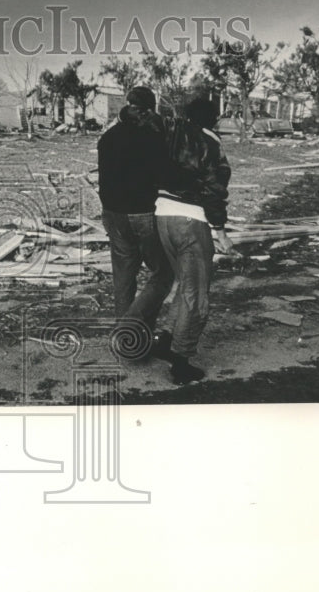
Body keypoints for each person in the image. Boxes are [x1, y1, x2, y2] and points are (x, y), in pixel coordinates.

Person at [154, 95, 232, 385]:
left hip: (162, 216)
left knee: (184, 284)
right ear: (215, 119)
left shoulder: (171, 137)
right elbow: (214, 189)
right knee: (197, 294)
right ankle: (181, 361)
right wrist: (220, 230)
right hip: (191, 220)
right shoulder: (210, 143)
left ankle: (165, 337)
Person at [97, 86, 175, 362]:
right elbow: (165, 175)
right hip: (142, 213)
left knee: (124, 277)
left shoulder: (108, 137)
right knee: (164, 272)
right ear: (149, 110)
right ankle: (129, 329)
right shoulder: (151, 137)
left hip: (112, 213)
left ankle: (130, 347)